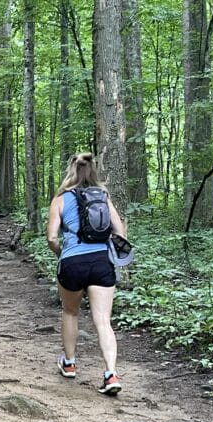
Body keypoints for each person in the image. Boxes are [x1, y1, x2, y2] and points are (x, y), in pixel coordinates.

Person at [47, 152, 126, 395]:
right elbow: (120, 234)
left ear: (71, 171)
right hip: (101, 262)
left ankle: (69, 364)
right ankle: (111, 374)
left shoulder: (60, 199)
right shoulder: (103, 197)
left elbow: (51, 237)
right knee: (103, 320)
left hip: (72, 262)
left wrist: (62, 252)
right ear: (93, 172)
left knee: (70, 312)